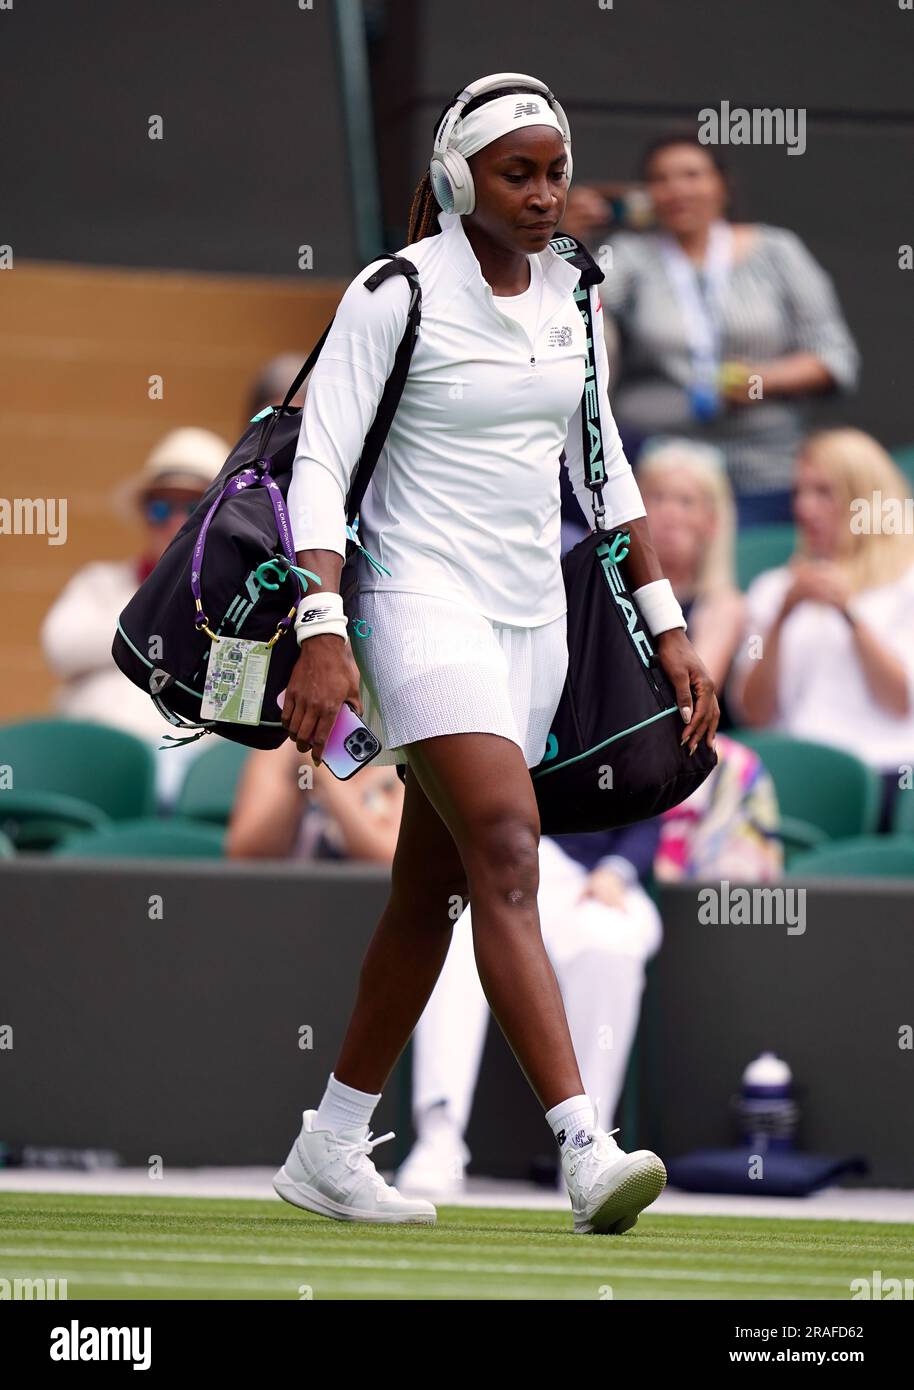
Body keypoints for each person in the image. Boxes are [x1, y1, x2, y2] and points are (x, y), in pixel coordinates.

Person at [274, 72, 718, 1236]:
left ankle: (327, 1143)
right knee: (509, 847)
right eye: (514, 173)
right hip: (415, 602)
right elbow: (318, 465)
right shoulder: (393, 293)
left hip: (533, 625)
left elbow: (601, 463)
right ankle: (585, 1142)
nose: (540, 195)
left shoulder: (575, 293)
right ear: (453, 179)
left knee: (433, 891)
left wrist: (666, 622)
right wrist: (322, 629)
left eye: (553, 172)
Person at [600, 132, 860, 528]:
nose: (676, 190)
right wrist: (569, 232)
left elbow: (836, 357)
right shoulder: (631, 257)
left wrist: (764, 380)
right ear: (646, 193)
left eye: (692, 175)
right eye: (660, 179)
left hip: (766, 466)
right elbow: (574, 305)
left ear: (722, 186)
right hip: (665, 473)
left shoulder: (777, 251)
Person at [395, 823, 662, 1198]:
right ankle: (439, 1139)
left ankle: (587, 1149)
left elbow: (650, 814)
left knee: (609, 947)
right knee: (453, 931)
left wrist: (616, 870)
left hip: (589, 879)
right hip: (494, 873)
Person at [730, 428, 914, 829]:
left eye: (823, 493)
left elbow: (900, 699)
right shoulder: (773, 589)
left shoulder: (906, 581)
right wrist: (782, 617)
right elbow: (754, 715)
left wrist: (849, 614)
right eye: (799, 493)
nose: (804, 508)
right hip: (794, 779)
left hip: (889, 772)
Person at [40, 427, 229, 810]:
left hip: (192, 775)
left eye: (192, 509)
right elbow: (59, 646)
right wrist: (163, 606)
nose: (174, 521)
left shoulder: (237, 601)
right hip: (94, 767)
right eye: (160, 508)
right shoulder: (99, 582)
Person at [636, 436, 745, 704]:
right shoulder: (613, 591)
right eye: (658, 498)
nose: (670, 514)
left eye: (686, 502)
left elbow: (693, 697)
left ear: (712, 521)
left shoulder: (722, 606)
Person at [226, 740, 403, 863]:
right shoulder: (284, 745)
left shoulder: (401, 753)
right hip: (293, 900)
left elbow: (389, 860)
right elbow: (246, 856)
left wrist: (325, 773)